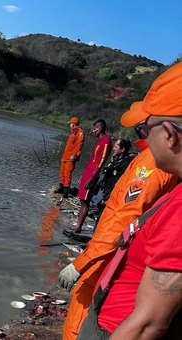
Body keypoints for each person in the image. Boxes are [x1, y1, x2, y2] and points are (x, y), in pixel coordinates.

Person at [77, 62, 182, 339]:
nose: (143, 139)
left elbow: (148, 325)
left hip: (116, 327)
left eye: (146, 129)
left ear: (169, 134)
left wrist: (80, 264)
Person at [59, 141, 177, 340]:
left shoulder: (153, 161)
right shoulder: (152, 156)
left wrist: (81, 263)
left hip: (109, 258)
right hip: (111, 254)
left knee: (81, 315)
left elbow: (124, 218)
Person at [70, 119, 112, 234]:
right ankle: (77, 224)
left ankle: (78, 227)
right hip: (88, 172)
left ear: (101, 128)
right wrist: (84, 175)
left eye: (95, 129)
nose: (93, 131)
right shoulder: (98, 141)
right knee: (82, 199)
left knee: (85, 201)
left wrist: (93, 177)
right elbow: (92, 160)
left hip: (93, 174)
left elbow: (101, 161)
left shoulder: (106, 140)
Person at [92, 138, 135, 219]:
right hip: (107, 188)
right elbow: (108, 174)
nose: (113, 148)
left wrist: (110, 195)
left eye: (115, 147)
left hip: (115, 193)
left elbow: (121, 181)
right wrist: (98, 185)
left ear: (122, 149)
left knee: (105, 214)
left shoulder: (127, 163)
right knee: (100, 211)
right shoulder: (115, 158)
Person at [54, 117, 85, 198]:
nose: (69, 125)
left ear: (74, 124)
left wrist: (74, 155)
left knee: (67, 174)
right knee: (62, 173)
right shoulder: (73, 132)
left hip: (71, 158)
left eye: (70, 124)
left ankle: (65, 192)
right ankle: (61, 188)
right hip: (65, 156)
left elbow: (79, 145)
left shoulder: (80, 132)